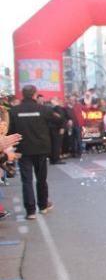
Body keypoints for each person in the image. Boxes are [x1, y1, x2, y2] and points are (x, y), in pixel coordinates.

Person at [8, 85, 55, 219]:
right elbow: (57, 120)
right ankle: (43, 205)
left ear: (23, 95)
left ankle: (30, 211)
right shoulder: (43, 109)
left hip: (23, 150)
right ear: (35, 95)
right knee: (41, 179)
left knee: (26, 180)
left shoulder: (14, 111)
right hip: (41, 149)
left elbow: (10, 131)